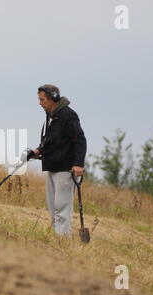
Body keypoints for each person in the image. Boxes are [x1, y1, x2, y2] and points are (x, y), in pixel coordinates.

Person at [32, 84, 87, 236]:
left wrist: (78, 164)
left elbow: (80, 140)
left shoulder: (68, 115)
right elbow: (52, 141)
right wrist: (38, 151)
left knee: (62, 207)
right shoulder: (51, 116)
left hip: (66, 169)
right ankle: (57, 238)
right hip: (52, 166)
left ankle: (63, 240)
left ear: (53, 98)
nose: (40, 103)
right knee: (52, 206)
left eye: (42, 99)